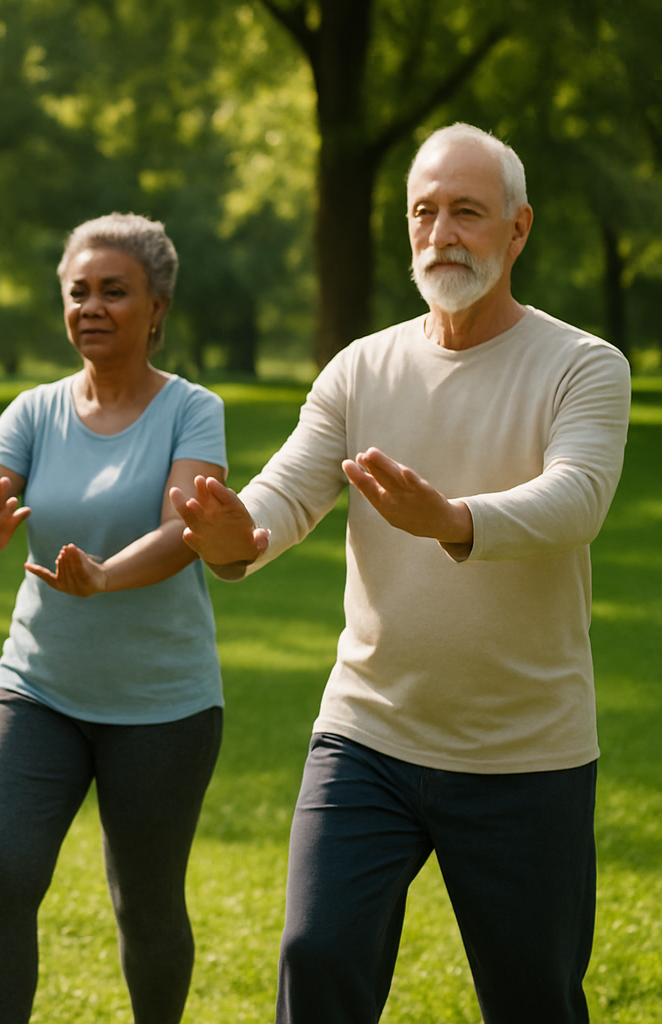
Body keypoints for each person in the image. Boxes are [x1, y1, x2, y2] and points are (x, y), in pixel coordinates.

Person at [173, 123, 631, 1023]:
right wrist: (235, 534)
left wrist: (454, 521)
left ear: (519, 228)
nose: (442, 233)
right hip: (368, 737)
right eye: (425, 212)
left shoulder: (583, 366)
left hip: (524, 752)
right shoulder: (361, 368)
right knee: (317, 957)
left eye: (467, 211)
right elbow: (283, 496)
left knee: (534, 997)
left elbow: (579, 497)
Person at [0, 213, 226, 1024]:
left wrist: (105, 576)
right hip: (38, 689)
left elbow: (186, 532)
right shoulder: (33, 411)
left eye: (114, 291)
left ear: (157, 307)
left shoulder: (190, 410)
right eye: (78, 292)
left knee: (145, 901)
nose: (92, 307)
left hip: (162, 706)